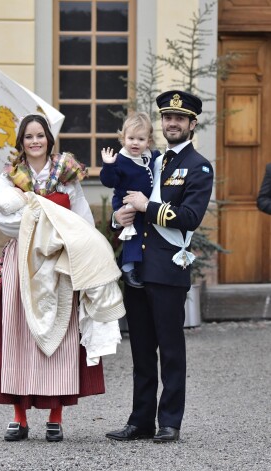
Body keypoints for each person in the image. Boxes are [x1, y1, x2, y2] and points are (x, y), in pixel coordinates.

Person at [0, 114, 125, 442]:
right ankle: (18, 416)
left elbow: (82, 220)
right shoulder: (10, 177)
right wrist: (47, 213)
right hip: (21, 261)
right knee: (18, 336)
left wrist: (37, 213)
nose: (35, 141)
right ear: (21, 142)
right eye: (28, 137)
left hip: (59, 262)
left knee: (61, 338)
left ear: (49, 139)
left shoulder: (66, 176)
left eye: (40, 135)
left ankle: (55, 415)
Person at [105, 90, 214, 443]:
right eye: (167, 117)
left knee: (169, 350)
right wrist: (118, 217)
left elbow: (190, 218)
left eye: (179, 119)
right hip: (137, 266)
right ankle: (140, 421)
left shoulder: (198, 166)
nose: (172, 123)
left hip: (168, 270)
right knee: (140, 350)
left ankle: (170, 422)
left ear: (192, 124)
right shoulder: (152, 161)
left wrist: (145, 206)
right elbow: (126, 197)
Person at [100, 112, 161, 288]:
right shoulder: (120, 160)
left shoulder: (152, 156)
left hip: (145, 204)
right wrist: (108, 165)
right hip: (126, 202)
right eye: (131, 138)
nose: (135, 143)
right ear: (123, 139)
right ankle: (127, 268)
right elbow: (108, 181)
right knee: (134, 233)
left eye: (141, 139)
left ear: (148, 142)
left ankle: (140, 266)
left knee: (145, 233)